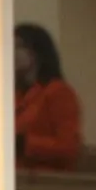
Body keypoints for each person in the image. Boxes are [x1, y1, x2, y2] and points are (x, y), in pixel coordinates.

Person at [14, 22, 83, 171]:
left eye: (18, 46)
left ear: (36, 53)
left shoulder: (59, 92)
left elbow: (68, 148)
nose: (11, 53)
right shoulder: (14, 95)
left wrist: (25, 143)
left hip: (46, 183)